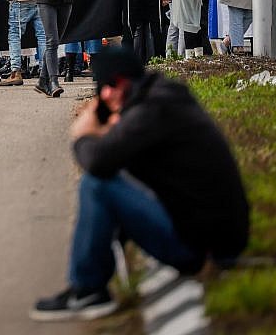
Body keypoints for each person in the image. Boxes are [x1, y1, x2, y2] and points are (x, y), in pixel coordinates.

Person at [31, 47, 249, 322]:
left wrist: (82, 137)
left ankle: (88, 290)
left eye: (106, 88)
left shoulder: (152, 110)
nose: (105, 97)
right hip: (216, 239)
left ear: (120, 83)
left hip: (198, 248)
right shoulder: (162, 98)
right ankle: (92, 280)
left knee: (97, 184)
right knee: (113, 178)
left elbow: (99, 162)